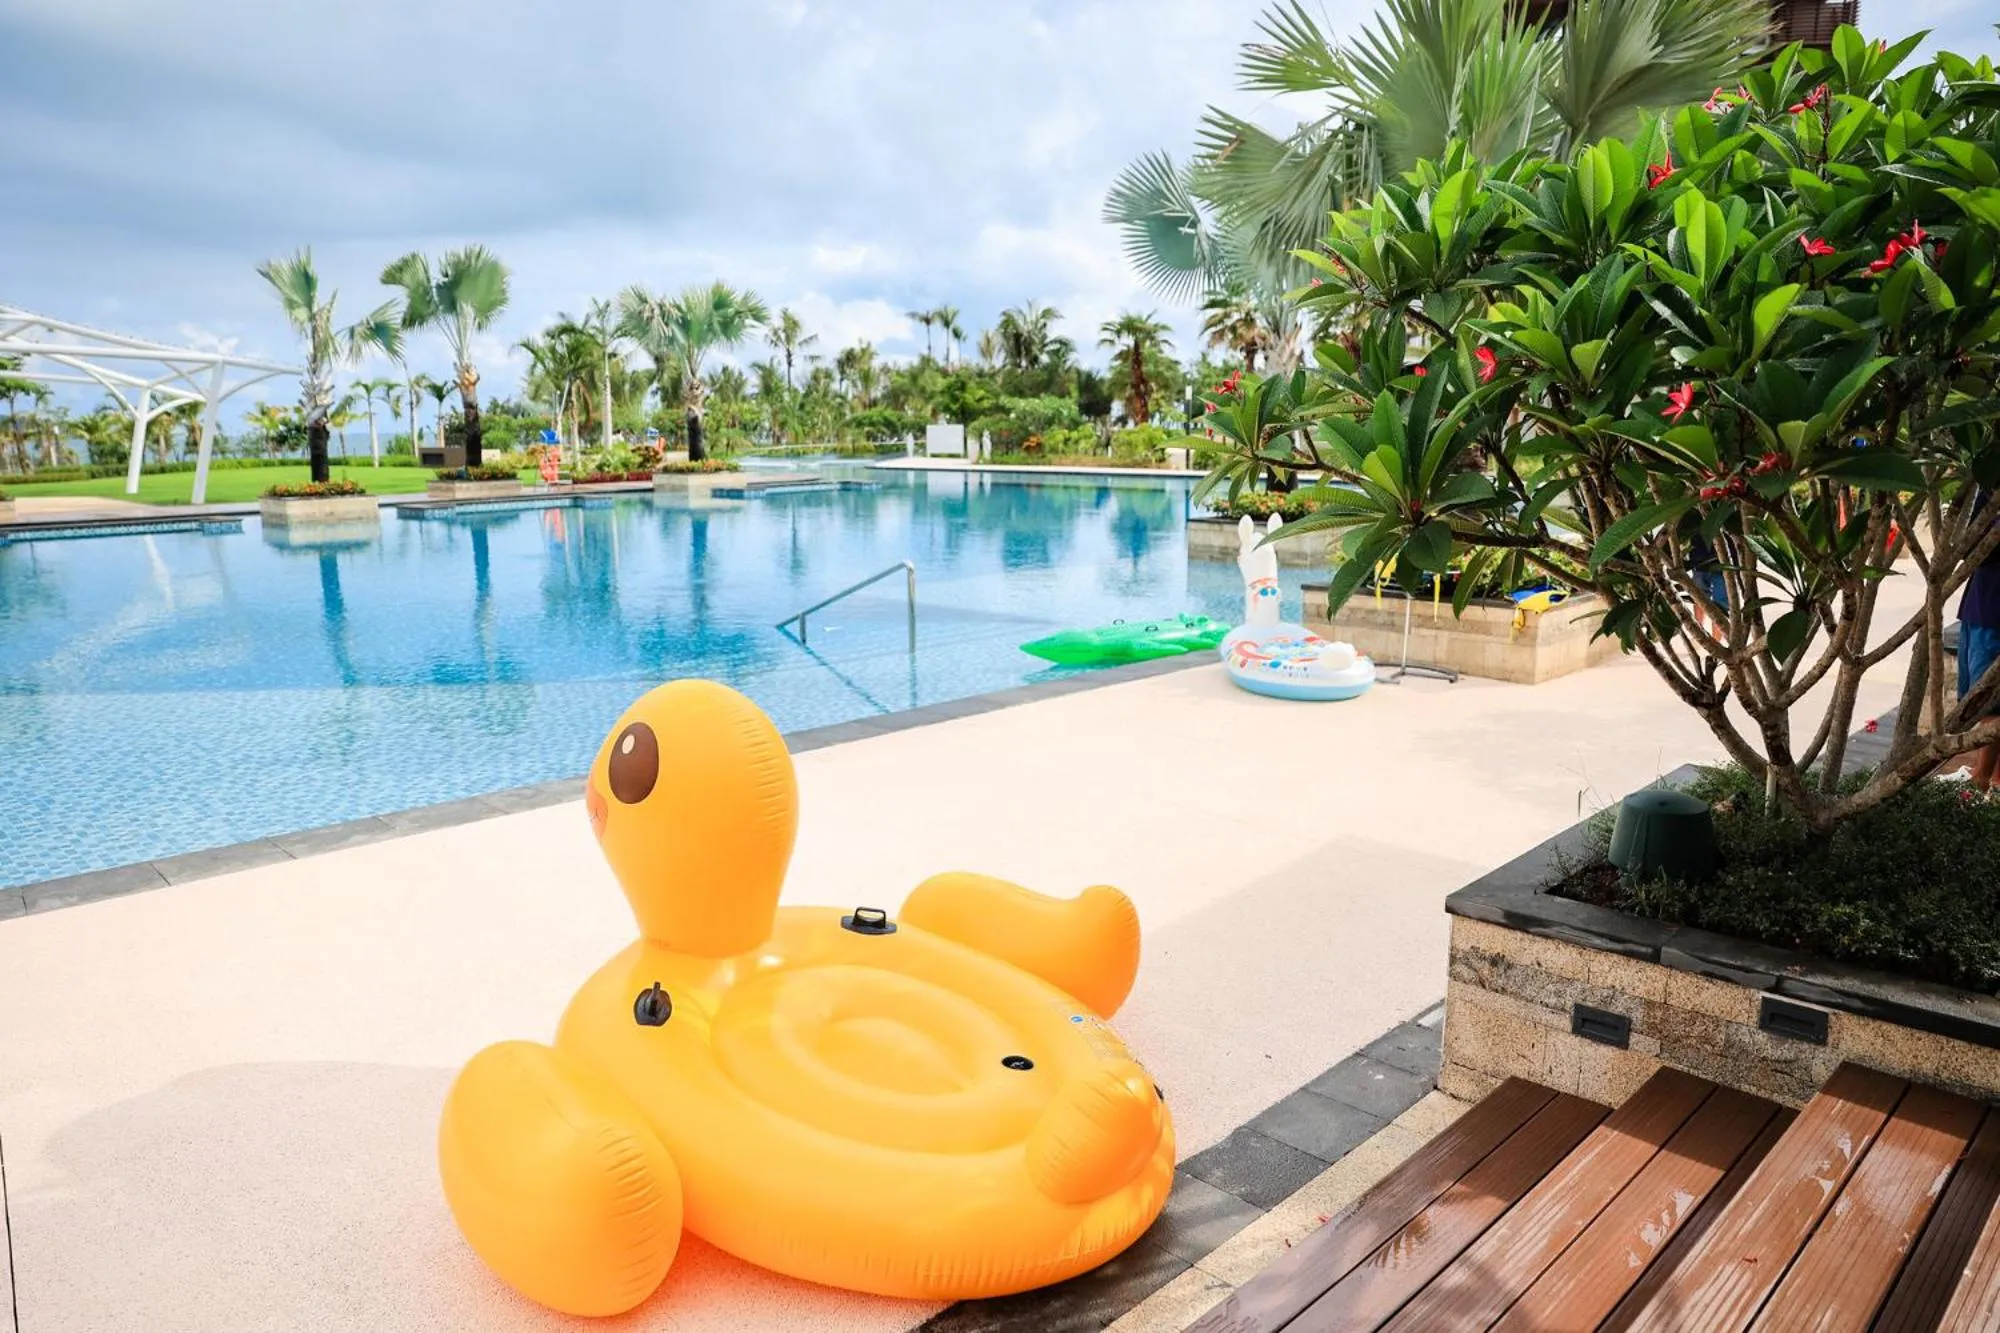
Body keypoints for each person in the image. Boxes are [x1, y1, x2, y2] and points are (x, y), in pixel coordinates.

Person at [1955, 505, 2000, 789]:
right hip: (1977, 607)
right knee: (1977, 702)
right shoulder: (1990, 484)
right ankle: (1989, 777)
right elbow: (1969, 544)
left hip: (1993, 615)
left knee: (1991, 705)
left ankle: (1984, 779)